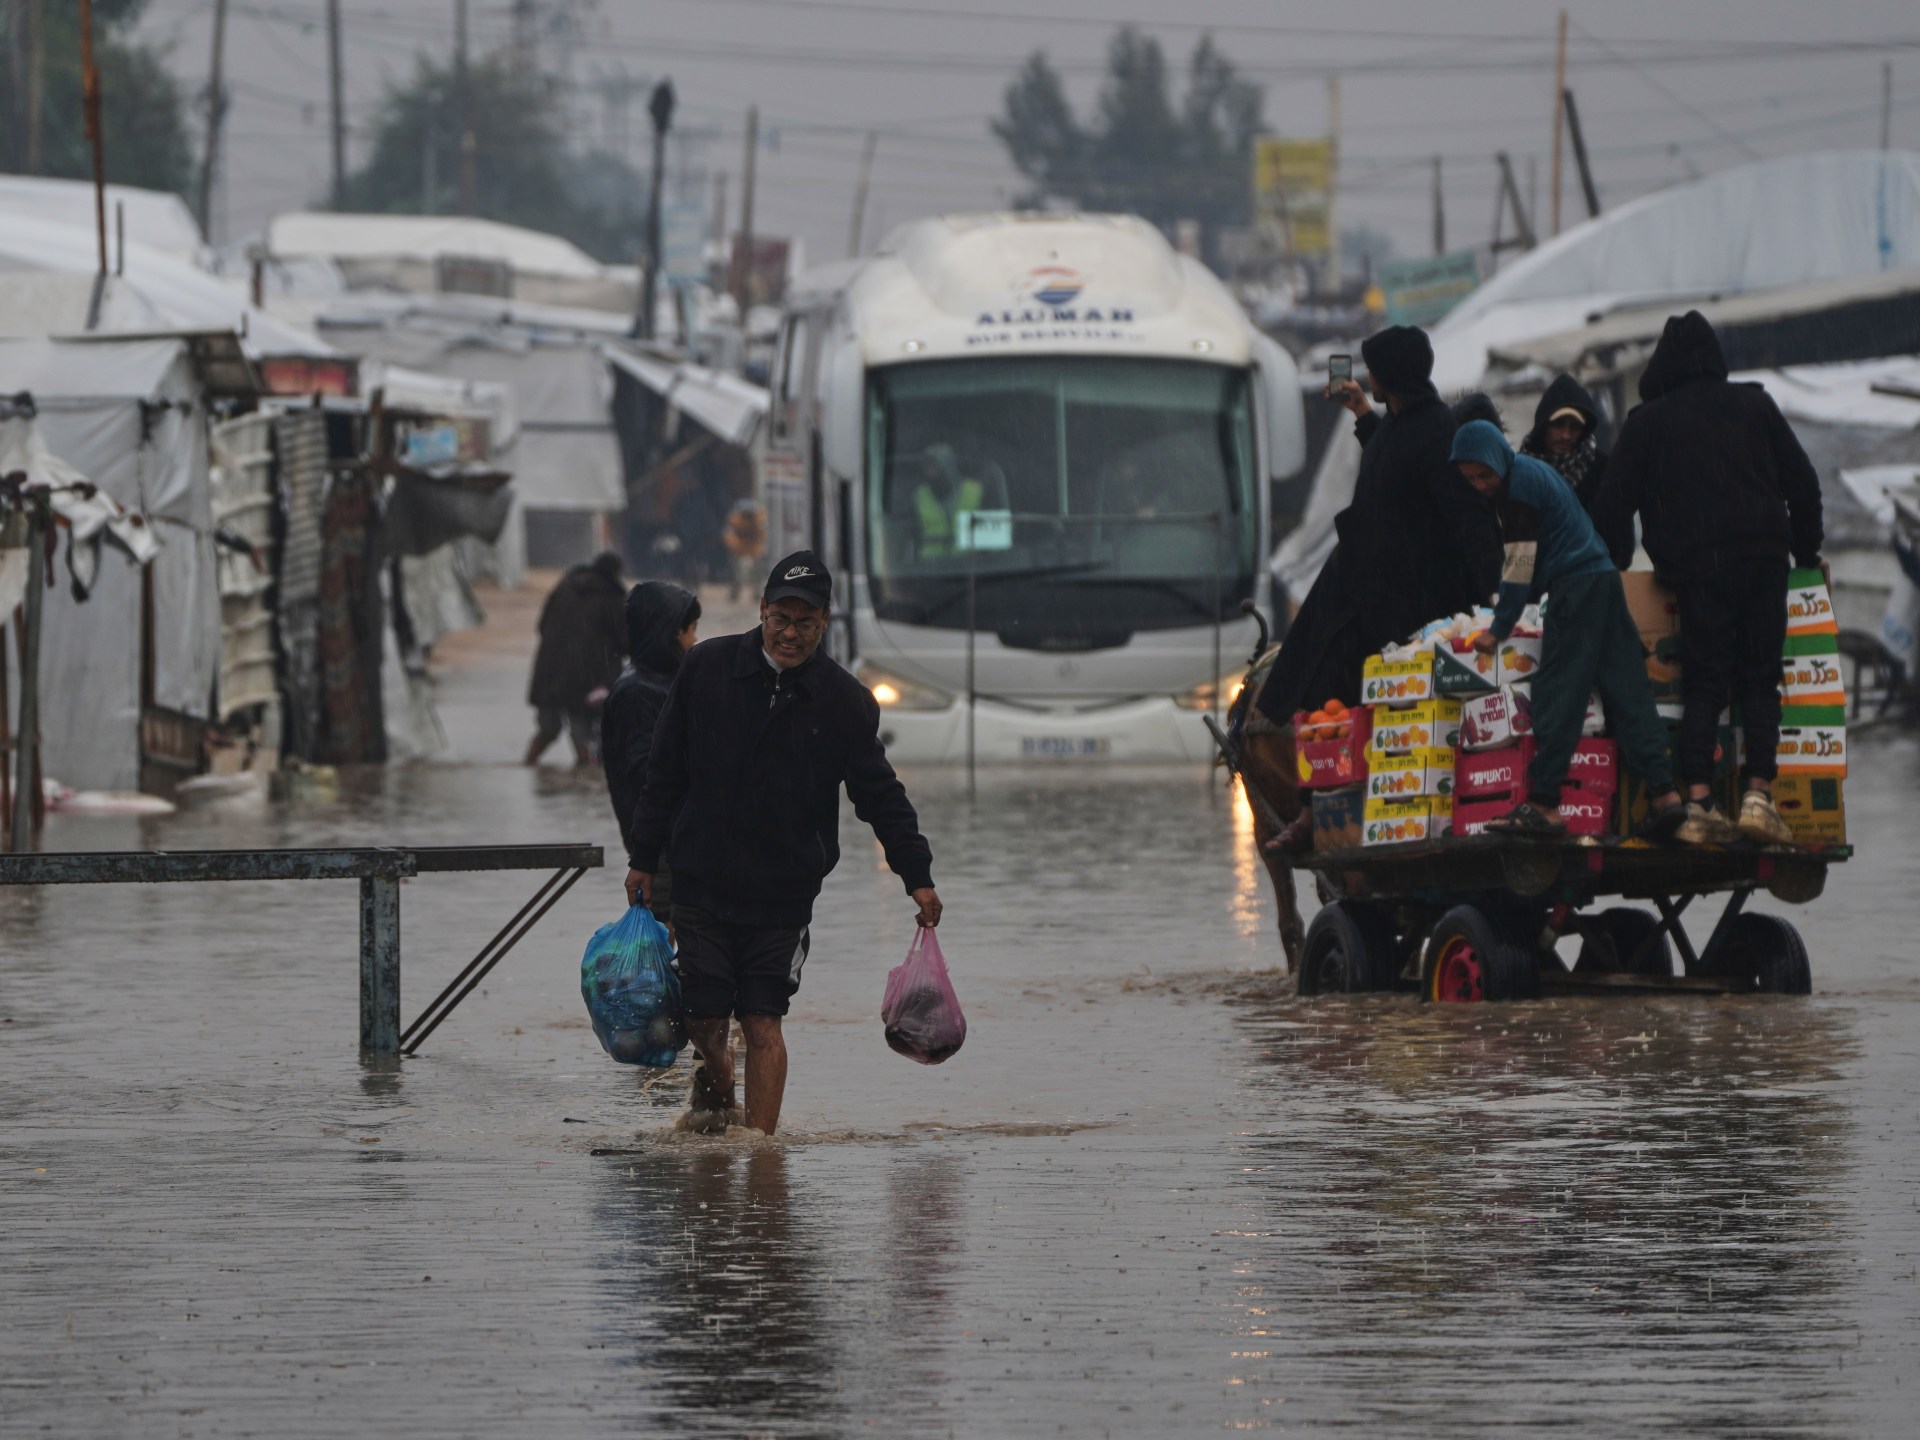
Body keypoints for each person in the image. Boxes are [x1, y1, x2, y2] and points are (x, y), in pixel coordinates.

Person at [625, 550, 941, 1137]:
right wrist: (643, 859)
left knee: (764, 1021)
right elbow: (663, 772)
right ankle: (718, 1088)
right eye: (782, 619)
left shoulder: (845, 701)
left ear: (824, 625)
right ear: (762, 610)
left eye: (806, 624)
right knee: (704, 1019)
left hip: (783, 895)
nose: (791, 634)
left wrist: (915, 874)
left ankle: (761, 1159)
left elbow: (880, 796)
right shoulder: (706, 669)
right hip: (702, 882)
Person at [1256, 325, 1502, 848]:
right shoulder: (1403, 422)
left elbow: (1469, 520)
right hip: (1365, 584)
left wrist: (1493, 601)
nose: (1367, 376)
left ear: (1394, 374)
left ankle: (1320, 813)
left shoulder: (1437, 431)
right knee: (1314, 681)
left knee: (1332, 683)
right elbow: (1393, 458)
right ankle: (1315, 807)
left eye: (1374, 370)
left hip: (1404, 602)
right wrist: (1363, 414)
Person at [1593, 311, 1825, 845]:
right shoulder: (1755, 403)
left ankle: (1698, 801)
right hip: (1765, 557)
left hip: (1698, 567)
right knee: (1761, 678)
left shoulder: (1647, 421)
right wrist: (1805, 549)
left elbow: (1611, 507)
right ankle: (1758, 797)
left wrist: (1621, 562)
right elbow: (1803, 482)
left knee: (1706, 679)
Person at [1451, 420, 1686, 840]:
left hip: (1576, 586)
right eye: (1471, 479)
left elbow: (1518, 566)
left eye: (1485, 474)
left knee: (1559, 689)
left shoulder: (1518, 487)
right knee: (1627, 687)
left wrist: (1499, 628)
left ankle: (1543, 803)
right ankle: (1664, 793)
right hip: (1602, 577)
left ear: (1497, 460)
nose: (1482, 484)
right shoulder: (1528, 471)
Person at [601, 581, 701, 925]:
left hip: (677, 844)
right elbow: (648, 773)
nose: (695, 641)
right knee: (672, 948)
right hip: (662, 848)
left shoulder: (666, 682)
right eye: (690, 631)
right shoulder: (638, 692)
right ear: (669, 633)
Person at [525, 551, 628, 766]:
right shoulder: (613, 597)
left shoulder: (565, 587)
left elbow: (542, 626)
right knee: (582, 734)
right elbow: (625, 642)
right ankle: (586, 785)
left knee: (548, 729)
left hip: (549, 671)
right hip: (587, 677)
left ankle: (527, 765)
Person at [1519, 374, 1611, 515]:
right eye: (1558, 424)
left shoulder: (1601, 470)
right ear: (1544, 426)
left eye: (1574, 427)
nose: (1566, 435)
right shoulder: (1521, 472)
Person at [913, 444, 984, 558]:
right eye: (925, 468)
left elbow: (992, 533)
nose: (928, 473)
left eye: (933, 467)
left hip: (970, 565)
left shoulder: (975, 491)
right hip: (930, 567)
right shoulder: (920, 495)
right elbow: (912, 536)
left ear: (947, 467)